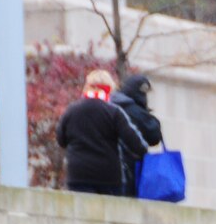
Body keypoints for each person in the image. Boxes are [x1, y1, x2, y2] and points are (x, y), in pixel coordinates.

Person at [56, 68, 147, 197]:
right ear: (109, 89)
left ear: (87, 87)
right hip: (109, 178)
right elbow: (138, 145)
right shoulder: (114, 112)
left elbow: (61, 139)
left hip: (78, 175)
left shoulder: (71, 110)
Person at [110, 73, 163, 194]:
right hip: (131, 169)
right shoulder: (135, 112)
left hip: (111, 169)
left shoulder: (111, 106)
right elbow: (154, 136)